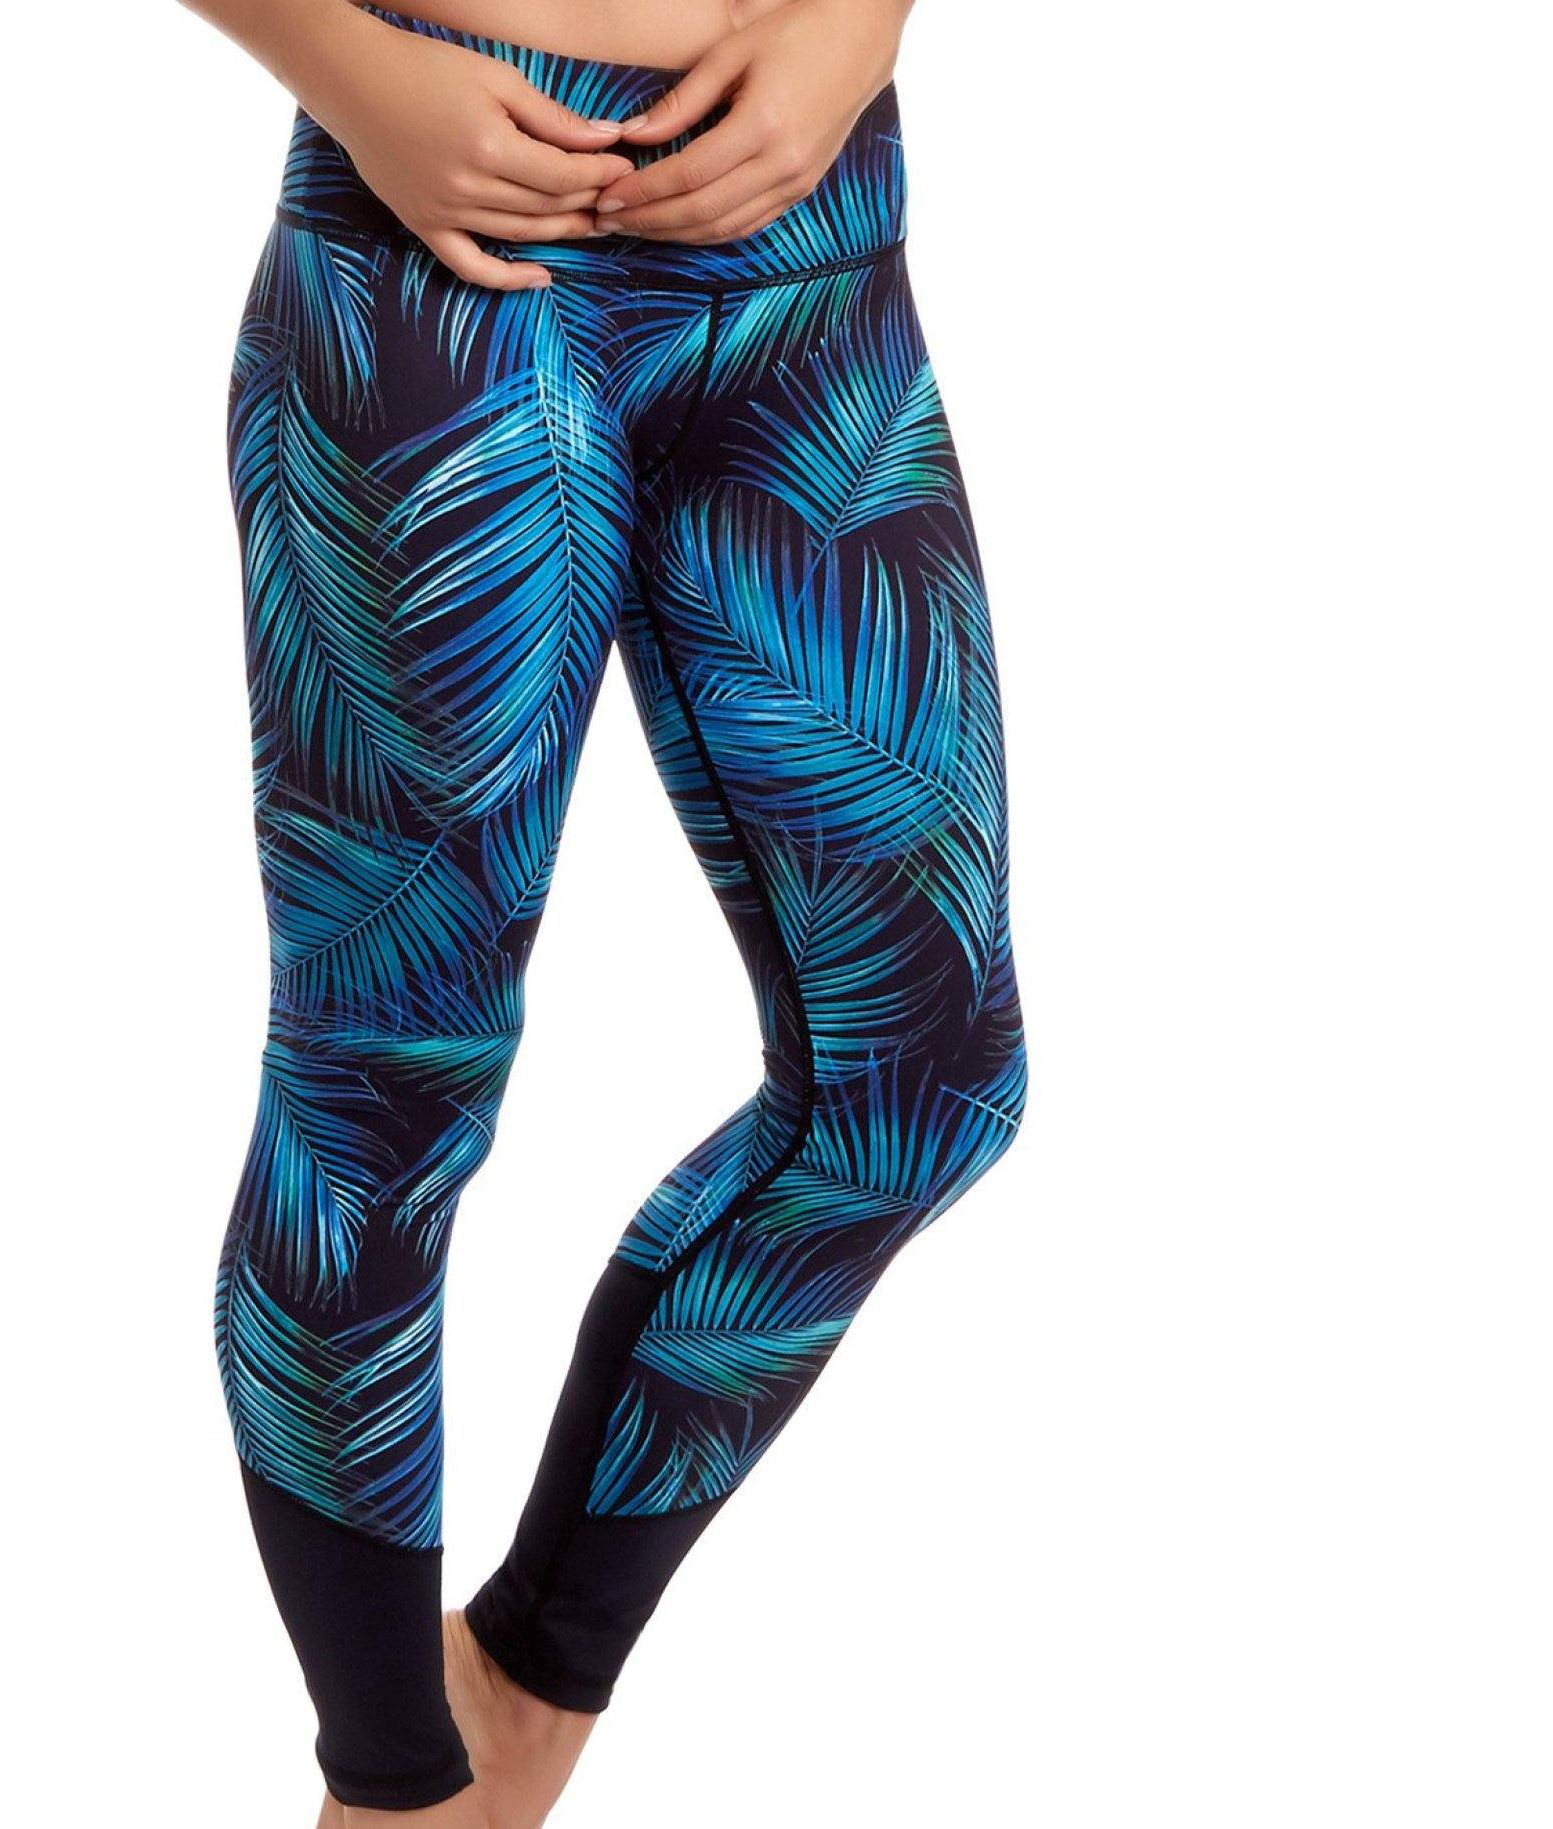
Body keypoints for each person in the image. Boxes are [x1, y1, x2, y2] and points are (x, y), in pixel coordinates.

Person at [180, 2, 1028, 1821]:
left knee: (924, 1078)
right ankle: (391, 1787)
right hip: (449, 232)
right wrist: (353, 75)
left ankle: (522, 1688)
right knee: (382, 1089)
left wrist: (862, 19)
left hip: (806, 233)